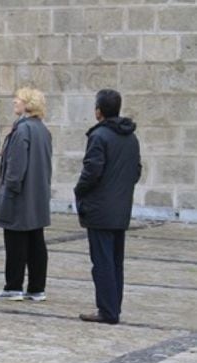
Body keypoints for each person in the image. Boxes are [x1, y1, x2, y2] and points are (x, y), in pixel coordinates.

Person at [76, 89, 141, 325]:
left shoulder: (100, 136)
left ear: (99, 111)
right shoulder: (131, 137)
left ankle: (107, 310)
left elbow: (92, 171)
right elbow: (136, 171)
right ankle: (113, 306)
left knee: (102, 261)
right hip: (120, 208)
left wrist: (79, 190)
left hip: (100, 209)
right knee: (115, 261)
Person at [0, 87, 52, 301]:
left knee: (16, 241)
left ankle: (14, 285)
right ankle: (37, 287)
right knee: (36, 240)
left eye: (17, 99)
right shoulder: (42, 130)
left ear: (27, 103)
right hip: (38, 194)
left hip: (21, 196)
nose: (14, 102)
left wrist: (9, 191)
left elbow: (15, 168)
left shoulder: (22, 130)